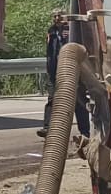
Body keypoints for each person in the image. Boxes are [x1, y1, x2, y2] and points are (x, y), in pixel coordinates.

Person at [39, 10, 91, 138]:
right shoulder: (51, 31)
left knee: (78, 100)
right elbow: (50, 52)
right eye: (55, 16)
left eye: (60, 16)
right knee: (52, 100)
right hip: (54, 71)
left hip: (73, 71)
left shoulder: (72, 31)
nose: (57, 18)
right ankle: (47, 128)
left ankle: (84, 131)